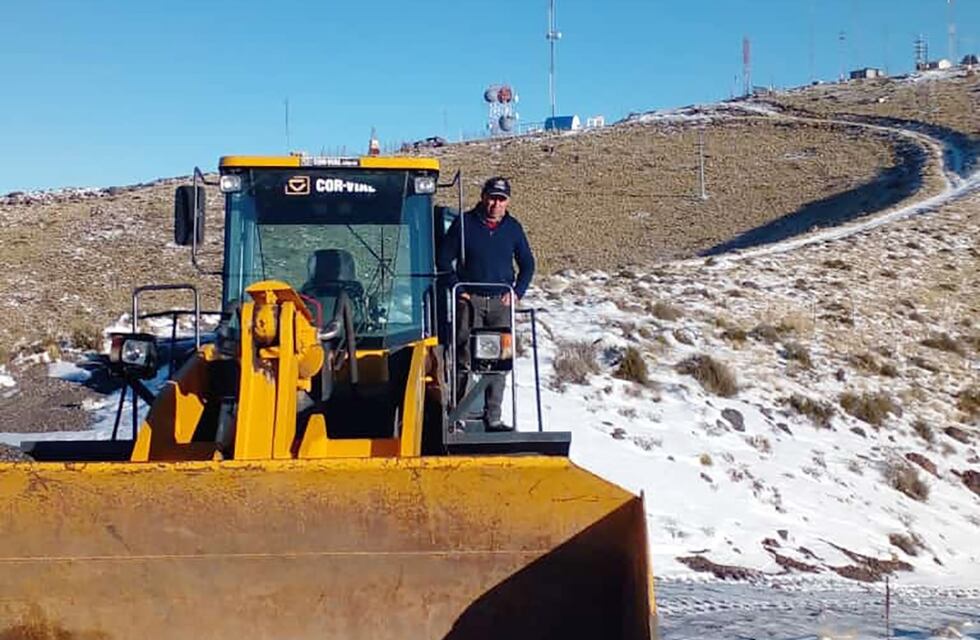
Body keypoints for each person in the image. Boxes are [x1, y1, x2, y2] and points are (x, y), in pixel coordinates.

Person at [437, 176, 535, 431]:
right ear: (483, 197)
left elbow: (528, 264)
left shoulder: (513, 228)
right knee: (463, 358)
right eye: (492, 197)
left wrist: (516, 292)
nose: (495, 204)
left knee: (499, 361)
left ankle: (493, 417)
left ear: (508, 202)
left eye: (501, 199)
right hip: (470, 302)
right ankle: (457, 415)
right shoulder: (464, 223)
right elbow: (444, 261)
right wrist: (459, 290)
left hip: (501, 304)